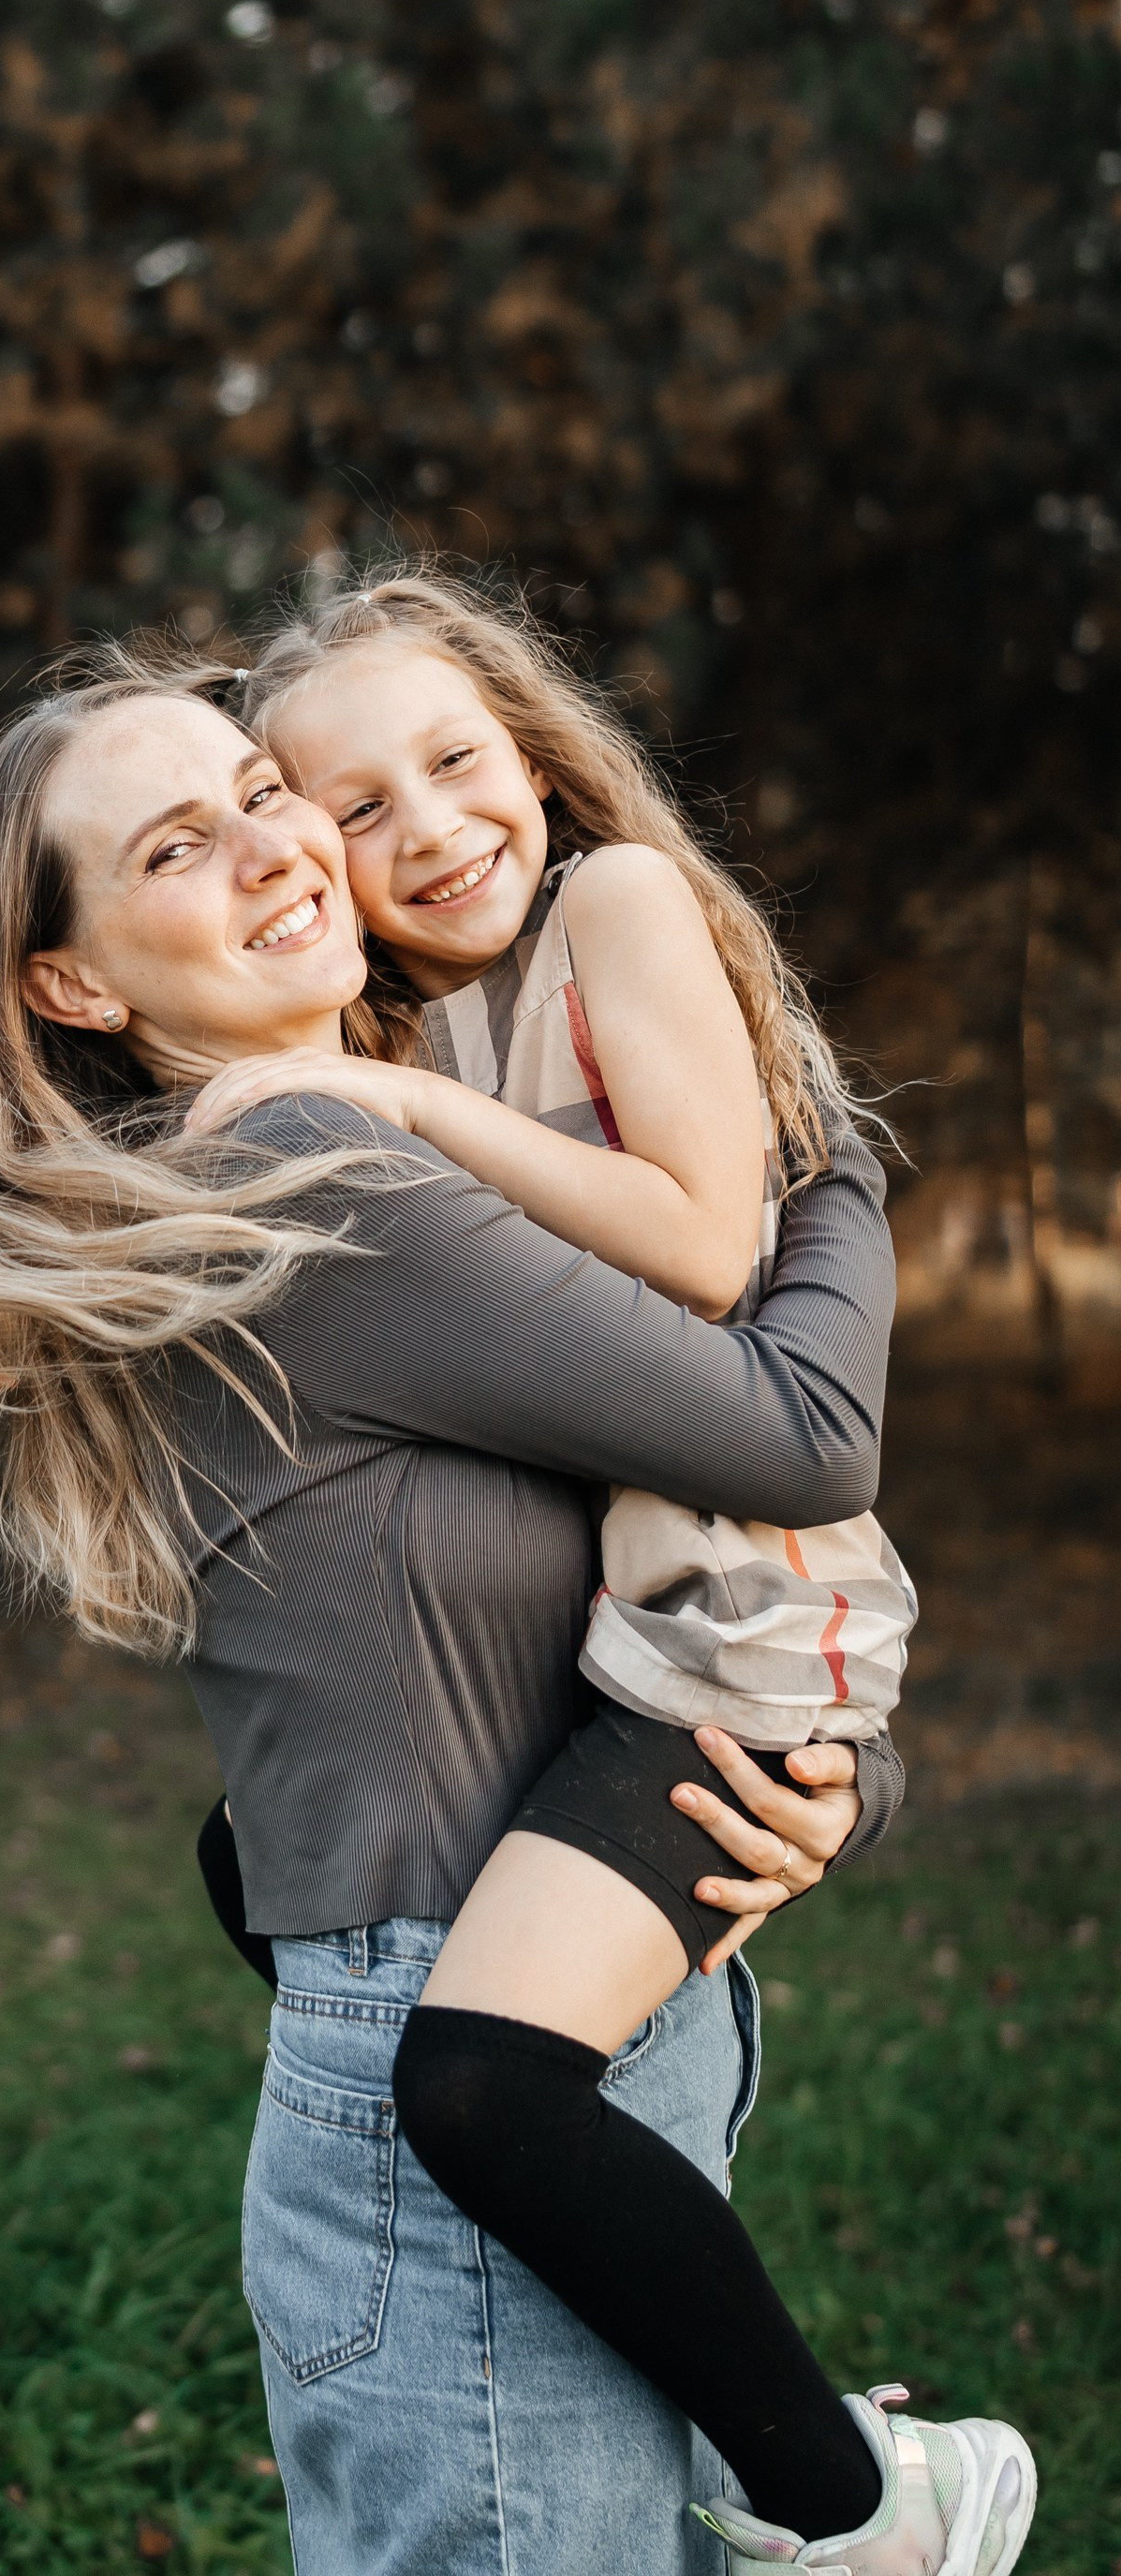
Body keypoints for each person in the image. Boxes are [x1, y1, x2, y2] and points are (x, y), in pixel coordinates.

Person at [0, 652, 933, 2574]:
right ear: (75, 983)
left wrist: (818, 1796)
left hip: (545, 2023)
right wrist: (834, 1157)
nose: (274, 846)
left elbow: (621, 1599)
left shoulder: (325, 1149)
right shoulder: (311, 1165)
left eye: (250, 788)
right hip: (475, 2089)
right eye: (174, 846)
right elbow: (800, 1433)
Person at [179, 569, 1033, 2574]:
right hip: (620, 1633)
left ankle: (860, 2503)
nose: (429, 829)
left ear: (536, 755)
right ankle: (668, 2381)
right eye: (358, 809)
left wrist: (386, 1101)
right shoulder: (411, 1023)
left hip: (730, 1610)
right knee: (264, 1878)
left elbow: (714, 1255)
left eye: (455, 762)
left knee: (474, 2086)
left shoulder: (607, 913)